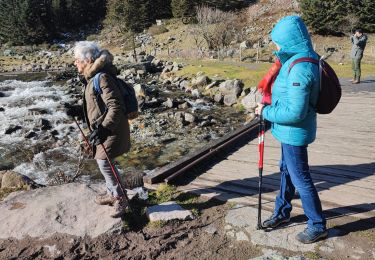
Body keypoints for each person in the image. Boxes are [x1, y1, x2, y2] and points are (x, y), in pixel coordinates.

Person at [255, 16, 327, 244]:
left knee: (301, 178)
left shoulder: (300, 68)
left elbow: (295, 112)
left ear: (289, 39)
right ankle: (282, 212)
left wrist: (265, 113)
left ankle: (317, 225)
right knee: (286, 170)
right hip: (288, 132)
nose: (275, 46)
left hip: (294, 131)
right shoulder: (299, 59)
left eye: (278, 41)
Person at [67, 41, 131, 218]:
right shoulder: (91, 77)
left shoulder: (101, 77)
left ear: (87, 60)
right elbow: (96, 105)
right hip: (106, 128)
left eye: (77, 60)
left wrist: (104, 129)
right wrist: (77, 110)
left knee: (104, 162)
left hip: (112, 129)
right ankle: (114, 193)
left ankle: (120, 198)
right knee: (103, 162)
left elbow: (116, 106)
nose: (75, 63)